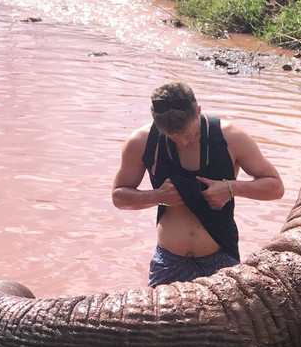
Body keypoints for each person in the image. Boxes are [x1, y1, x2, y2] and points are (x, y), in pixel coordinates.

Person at [112, 81, 285, 286]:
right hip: (168, 261)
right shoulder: (141, 141)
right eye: (172, 137)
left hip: (220, 258)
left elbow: (275, 187)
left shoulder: (230, 137)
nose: (182, 143)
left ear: (198, 111)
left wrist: (231, 188)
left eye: (188, 135)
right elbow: (119, 197)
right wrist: (156, 196)